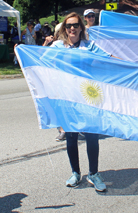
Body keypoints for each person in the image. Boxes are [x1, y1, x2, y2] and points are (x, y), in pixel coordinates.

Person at [51, 12, 110, 192]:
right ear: (64, 29)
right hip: (68, 99)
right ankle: (75, 173)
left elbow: (108, 58)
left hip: (88, 98)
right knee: (71, 137)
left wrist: (130, 65)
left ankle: (93, 173)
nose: (72, 28)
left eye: (75, 25)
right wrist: (20, 50)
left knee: (92, 137)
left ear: (81, 28)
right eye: (69, 26)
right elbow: (39, 55)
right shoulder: (57, 46)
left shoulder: (89, 46)